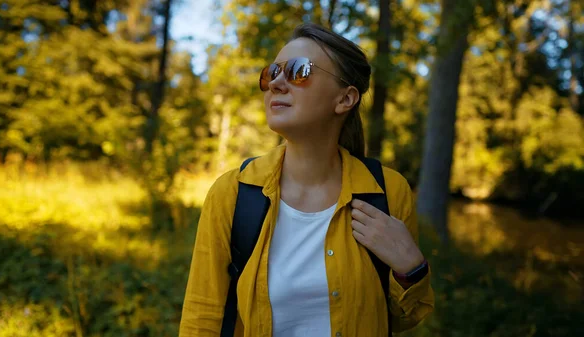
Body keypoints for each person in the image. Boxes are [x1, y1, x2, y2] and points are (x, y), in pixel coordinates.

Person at [179, 23, 434, 337]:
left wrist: (411, 270)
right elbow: (201, 318)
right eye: (272, 72)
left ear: (345, 99)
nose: (277, 83)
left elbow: (401, 318)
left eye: (299, 71)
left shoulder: (388, 192)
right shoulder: (232, 194)